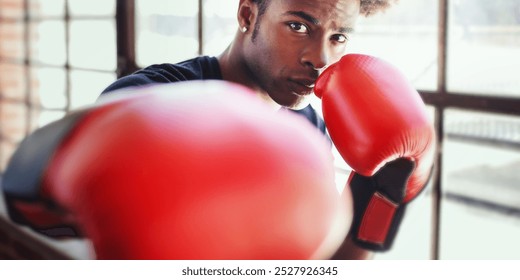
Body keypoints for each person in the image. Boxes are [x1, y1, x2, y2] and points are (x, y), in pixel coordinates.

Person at [100, 0, 400, 259]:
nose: (320, 59)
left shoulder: (309, 127)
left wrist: (379, 187)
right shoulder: (148, 98)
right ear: (247, 16)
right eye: (298, 27)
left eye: (337, 38)